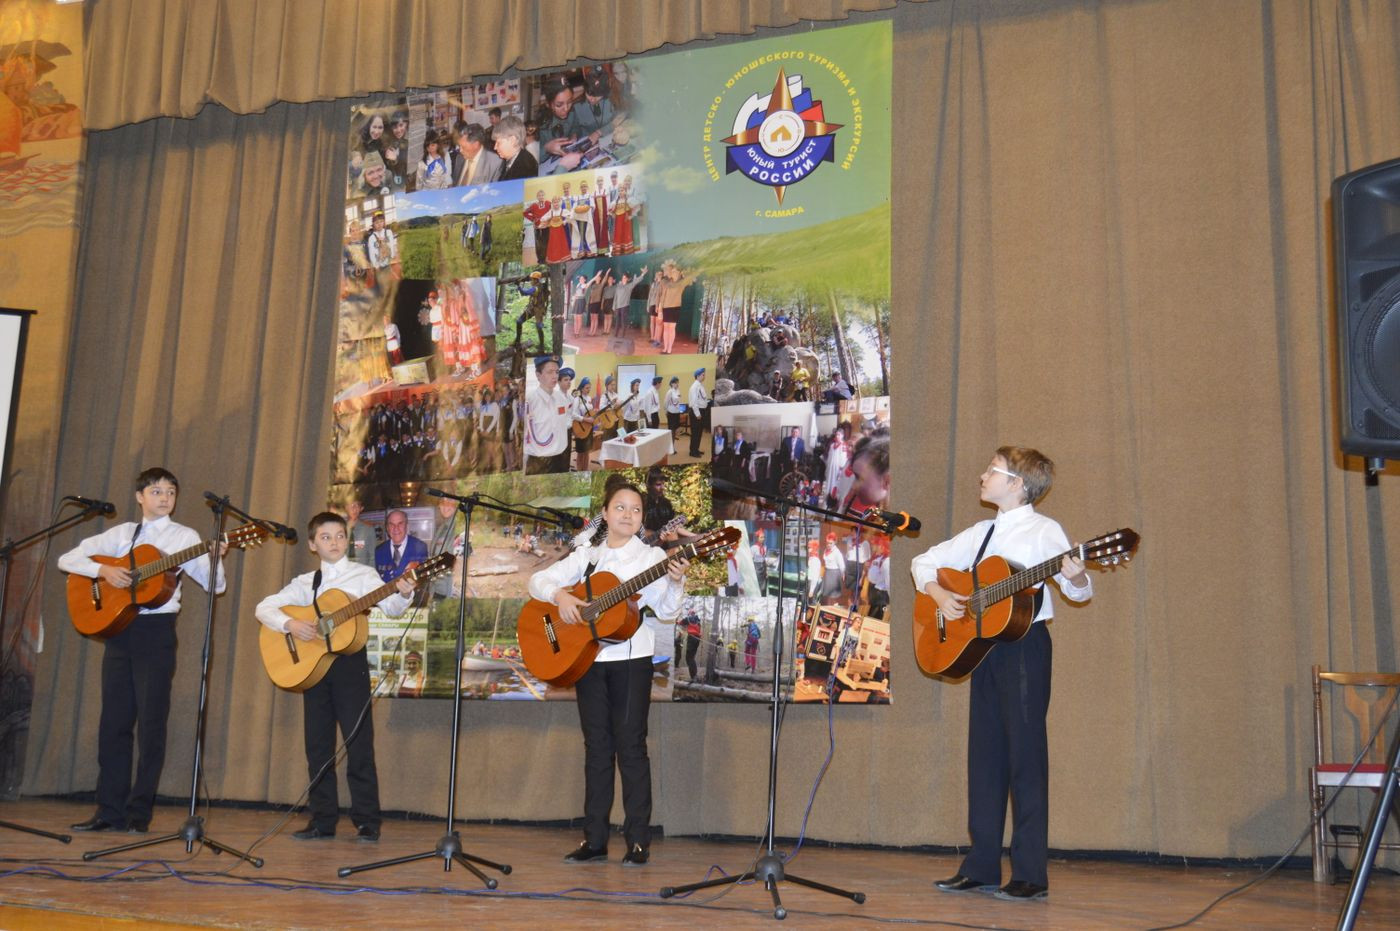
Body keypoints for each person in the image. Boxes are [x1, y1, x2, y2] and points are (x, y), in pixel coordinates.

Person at [911, 447, 1092, 902]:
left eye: (991, 470)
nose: (982, 475)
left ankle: (1030, 874)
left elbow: (1077, 591)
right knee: (985, 758)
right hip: (984, 651)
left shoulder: (1044, 531)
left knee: (1026, 760)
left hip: (1026, 648)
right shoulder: (982, 532)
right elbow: (922, 563)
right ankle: (982, 867)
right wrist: (938, 594)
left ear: (1016, 483)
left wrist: (1076, 574)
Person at [528, 475, 691, 865]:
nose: (628, 514)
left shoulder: (652, 559)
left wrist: (677, 579)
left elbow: (668, 612)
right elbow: (538, 580)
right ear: (605, 513)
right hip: (587, 660)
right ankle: (594, 840)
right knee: (596, 749)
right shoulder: (589, 555)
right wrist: (561, 596)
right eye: (620, 507)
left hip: (632, 661)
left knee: (631, 748)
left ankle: (638, 841)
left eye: (636, 509)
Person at [58, 467, 226, 833]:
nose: (164, 497)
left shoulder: (186, 536)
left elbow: (215, 586)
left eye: (170, 491)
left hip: (156, 632)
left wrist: (215, 557)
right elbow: (66, 560)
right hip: (120, 631)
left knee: (151, 724)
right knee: (114, 723)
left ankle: (138, 814)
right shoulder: (123, 534)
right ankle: (109, 811)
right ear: (140, 497)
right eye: (156, 491)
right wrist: (103, 573)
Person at [256, 512, 418, 842]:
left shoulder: (363, 575)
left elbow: (392, 608)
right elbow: (264, 607)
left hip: (349, 666)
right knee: (317, 747)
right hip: (313, 669)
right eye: (326, 537)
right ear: (313, 544)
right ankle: (322, 820)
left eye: (340, 535)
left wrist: (403, 592)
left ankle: (368, 821)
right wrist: (291, 625)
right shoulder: (306, 583)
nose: (335, 542)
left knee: (359, 745)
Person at [524, 355, 571, 473]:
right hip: (539, 463)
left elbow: (564, 424)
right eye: (550, 372)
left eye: (556, 372)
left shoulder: (561, 398)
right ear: (538, 375)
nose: (555, 376)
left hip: (561, 458)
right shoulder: (530, 399)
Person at [375, 509, 429, 582]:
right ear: (387, 528)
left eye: (400, 523)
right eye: (391, 524)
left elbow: (424, 579)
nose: (396, 528)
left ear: (407, 526)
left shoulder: (420, 547)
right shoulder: (379, 551)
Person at [453, 122, 503, 187]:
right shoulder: (459, 158)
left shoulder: (494, 162)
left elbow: (494, 190)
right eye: (459, 146)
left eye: (463, 147)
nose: (460, 150)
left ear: (476, 144)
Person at [494, 114, 538, 180]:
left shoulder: (525, 167)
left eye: (498, 143)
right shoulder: (509, 159)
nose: (495, 147)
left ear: (512, 140)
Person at [687, 368, 710, 458]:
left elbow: (702, 399)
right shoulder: (694, 387)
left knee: (699, 432)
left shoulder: (700, 385)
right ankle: (692, 452)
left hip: (701, 411)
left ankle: (696, 449)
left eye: (704, 375)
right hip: (696, 412)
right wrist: (697, 414)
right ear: (698, 376)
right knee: (695, 433)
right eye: (703, 375)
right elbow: (693, 402)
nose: (704, 376)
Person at [345, 498, 375, 565]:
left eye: (357, 506)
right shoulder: (340, 530)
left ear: (361, 509)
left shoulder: (368, 530)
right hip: (344, 572)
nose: (354, 509)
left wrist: (371, 574)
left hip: (362, 572)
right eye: (351, 505)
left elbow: (372, 557)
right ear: (346, 507)